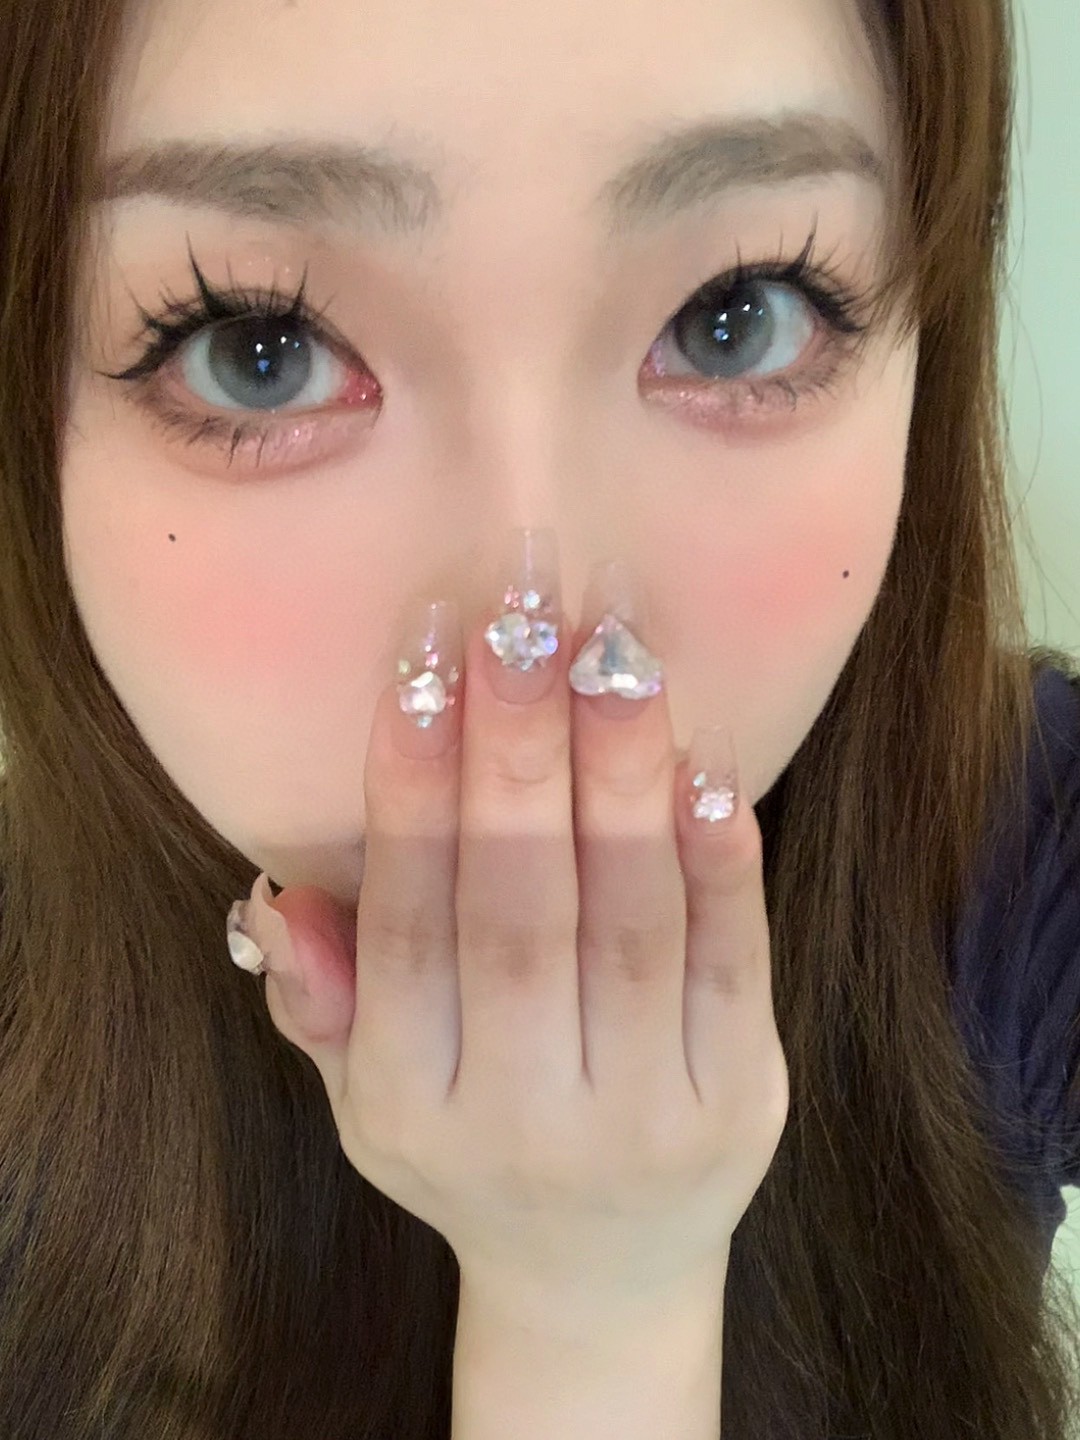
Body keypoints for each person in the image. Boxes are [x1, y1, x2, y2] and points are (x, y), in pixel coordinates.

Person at [0, 0, 1077, 1434]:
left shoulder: (1020, 848)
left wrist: (598, 1300)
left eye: (735, 317)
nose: (545, 625)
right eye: (258, 344)